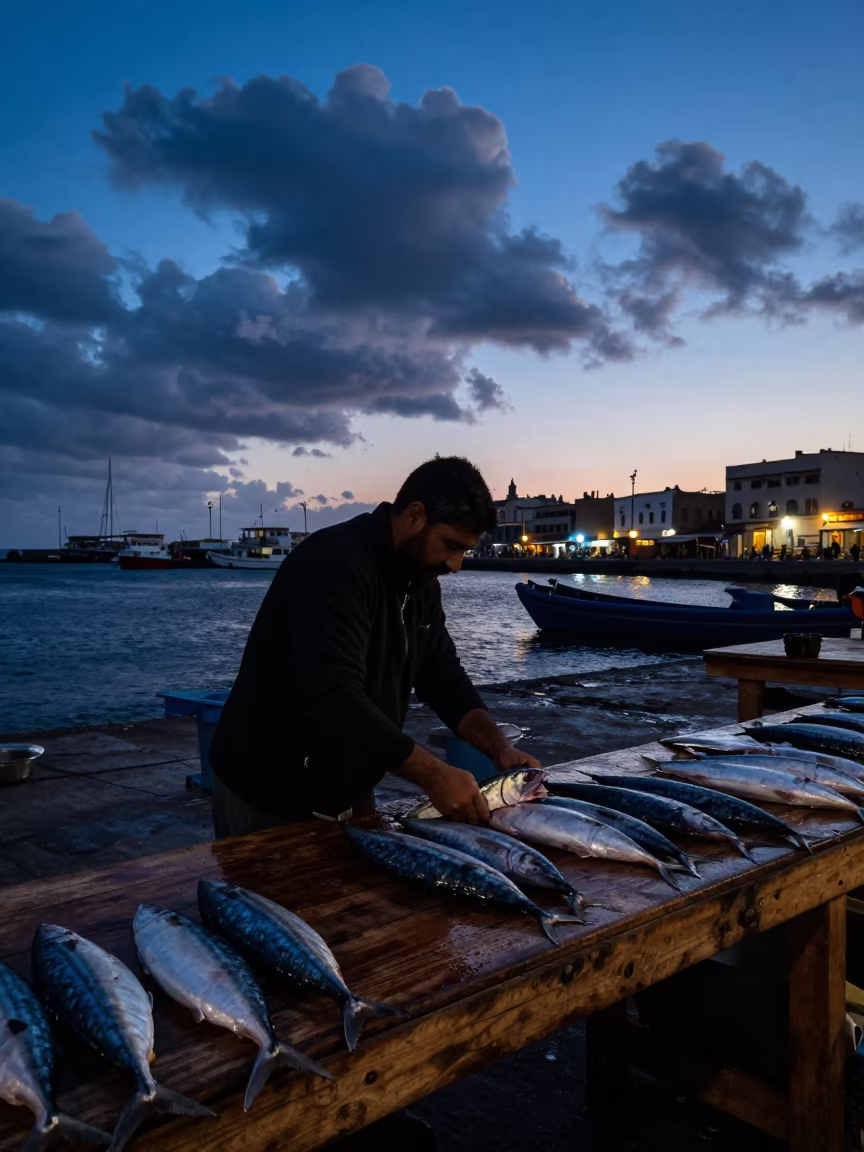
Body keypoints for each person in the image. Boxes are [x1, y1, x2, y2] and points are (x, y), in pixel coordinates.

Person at [210, 456, 540, 837]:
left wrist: (499, 749)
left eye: (464, 550)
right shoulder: (333, 562)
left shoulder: (420, 580)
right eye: (451, 545)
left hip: (349, 789)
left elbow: (442, 675)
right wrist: (435, 775)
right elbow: (332, 695)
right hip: (268, 791)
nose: (456, 565)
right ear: (415, 516)